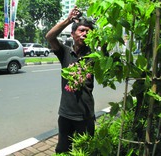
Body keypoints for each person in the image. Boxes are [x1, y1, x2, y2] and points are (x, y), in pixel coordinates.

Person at [45, 6, 96, 154]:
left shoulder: (94, 56)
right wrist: (68, 20)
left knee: (85, 151)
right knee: (62, 150)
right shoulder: (65, 52)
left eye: (88, 31)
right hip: (66, 114)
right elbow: (49, 37)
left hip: (85, 115)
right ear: (73, 34)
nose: (85, 34)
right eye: (81, 30)